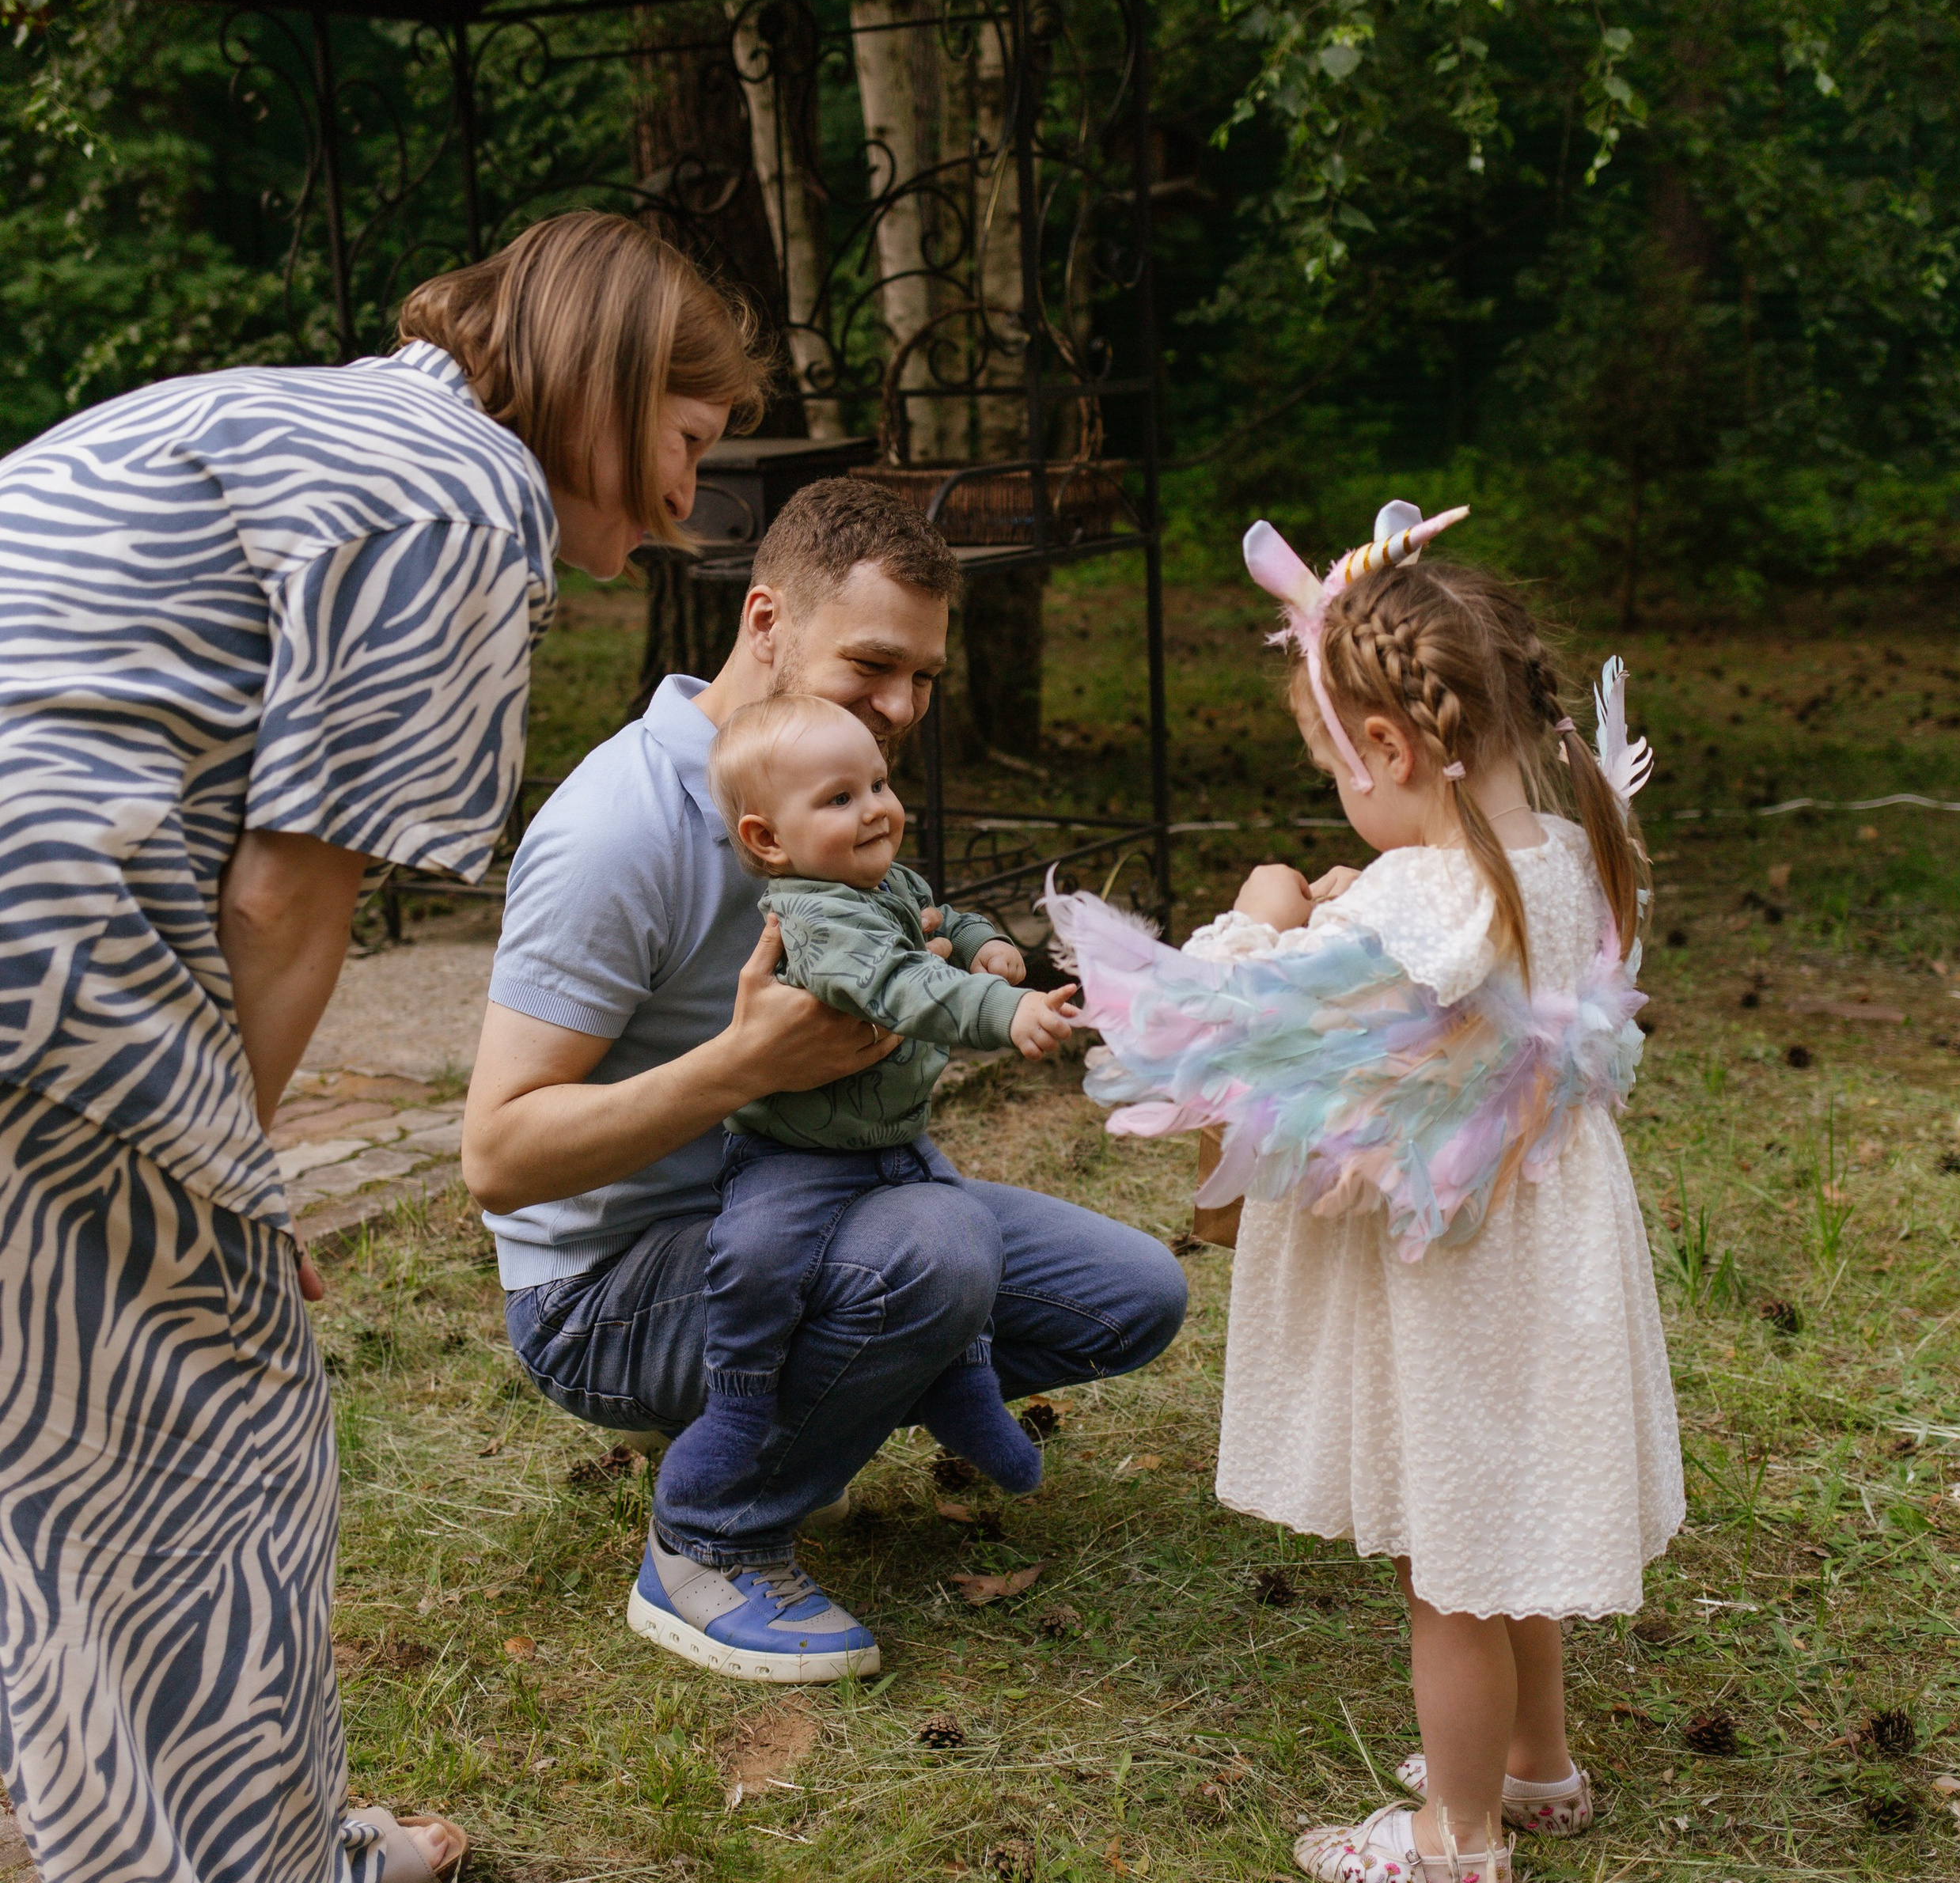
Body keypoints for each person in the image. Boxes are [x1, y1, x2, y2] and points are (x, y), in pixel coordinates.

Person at [0, 210, 767, 1883]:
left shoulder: (292, 413)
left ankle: (116, 1809)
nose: (684, 503)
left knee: (60, 1414)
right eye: (688, 442)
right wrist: (231, 1179)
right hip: (42, 925)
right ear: (609, 379)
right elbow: (286, 897)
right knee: (208, 1436)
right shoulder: (458, 496)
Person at [461, 476, 1189, 1685]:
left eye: (925, 679)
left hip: (803, 1200)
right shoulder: (618, 832)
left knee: (1132, 1294)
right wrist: (740, 1066)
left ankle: (780, 1405)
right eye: (873, 665)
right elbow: (496, 1159)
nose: (902, 709)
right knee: (936, 1250)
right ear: (766, 624)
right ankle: (708, 1543)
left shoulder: (824, 779)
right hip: (602, 1291)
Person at [1048, 506, 1685, 1882]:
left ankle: (1457, 1838)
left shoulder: (1410, 910)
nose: (1340, 797)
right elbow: (1451, 956)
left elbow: (1198, 1027)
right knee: (1503, 1523)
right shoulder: (1564, 858)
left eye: (1334, 767)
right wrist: (1366, 891)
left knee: (1448, 1563)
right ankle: (1538, 1763)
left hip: (1452, 1285)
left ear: (1393, 749)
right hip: (1542, 1252)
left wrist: (1272, 904)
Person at [664, 691, 1079, 1511]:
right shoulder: (816, 917)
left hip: (888, 1139)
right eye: (840, 798)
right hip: (795, 1155)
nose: (876, 810)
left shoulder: (876, 879)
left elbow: (936, 917)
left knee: (971, 1253)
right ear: (766, 839)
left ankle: (962, 1386)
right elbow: (898, 983)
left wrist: (983, 941)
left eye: (880, 785)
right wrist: (1005, 1010)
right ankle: (738, 1403)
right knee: (755, 1262)